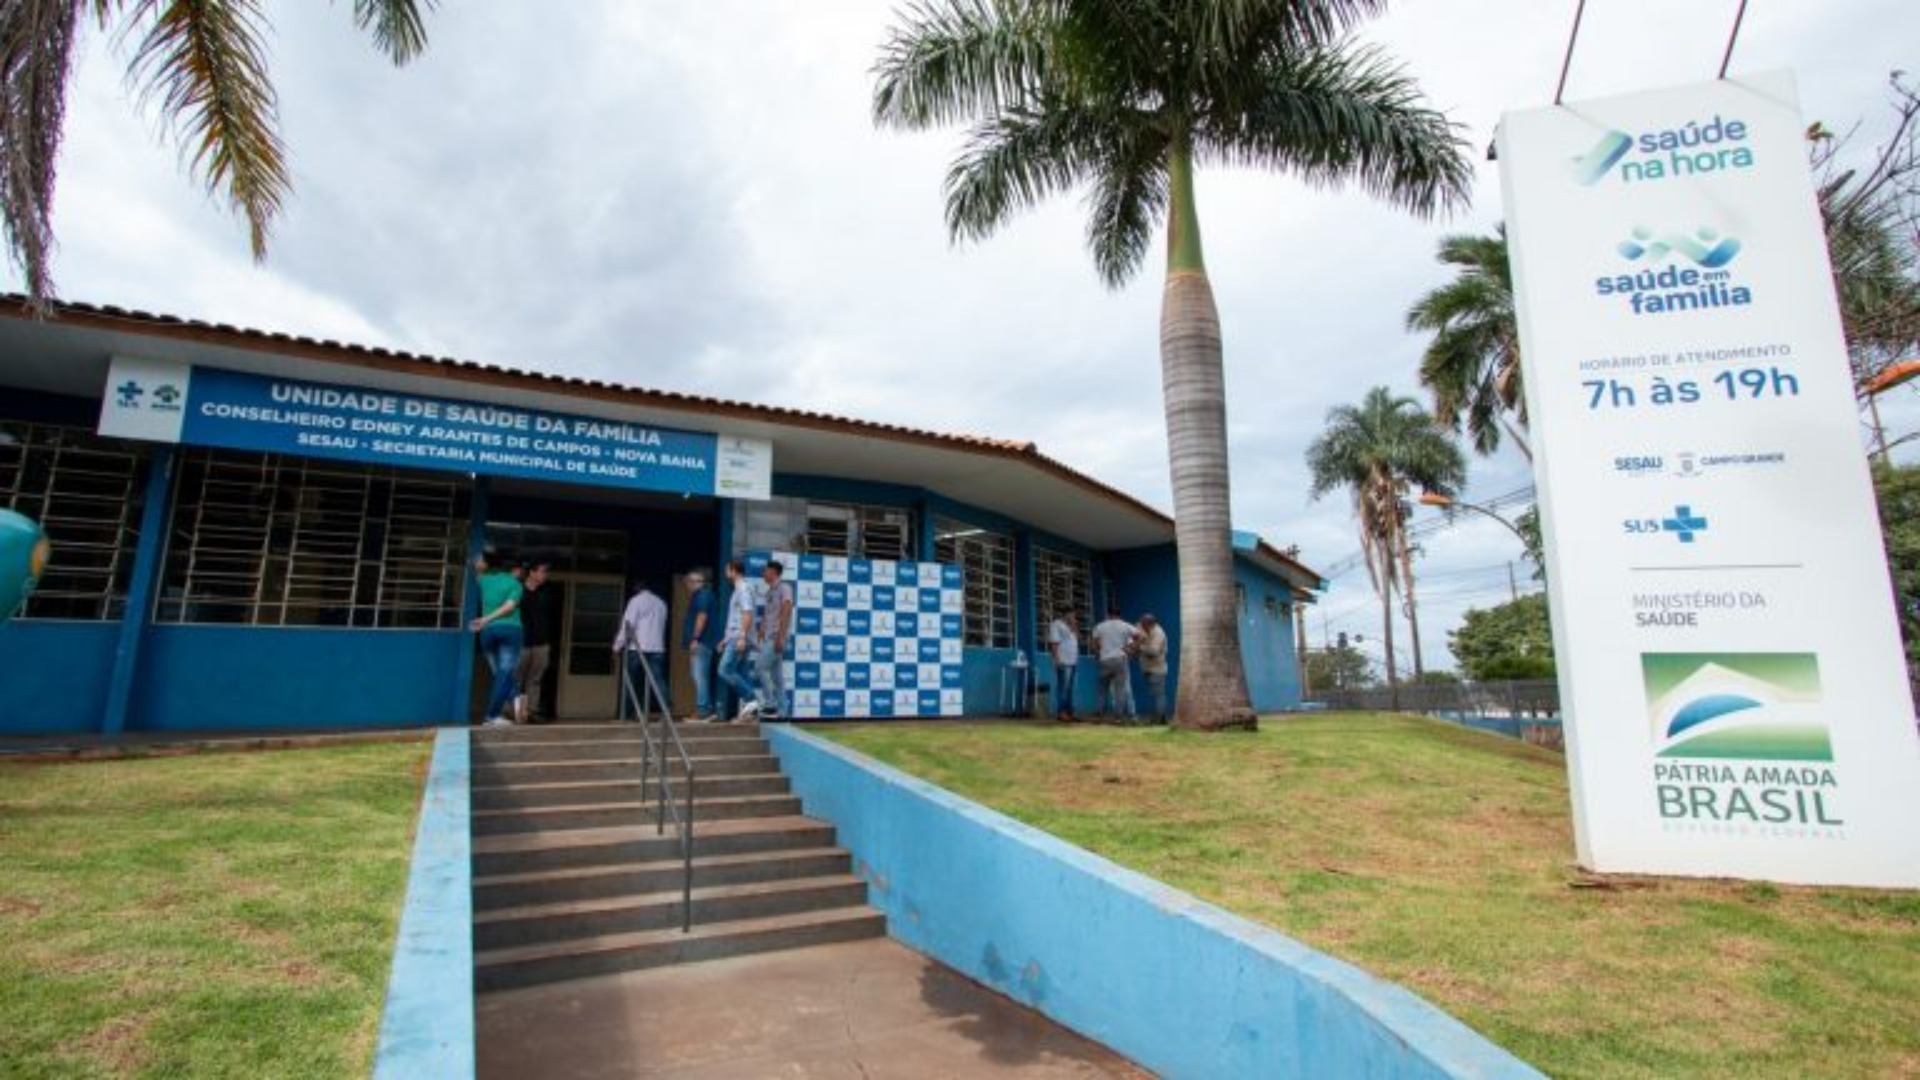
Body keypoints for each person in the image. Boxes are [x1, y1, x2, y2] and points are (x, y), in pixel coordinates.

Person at [469, 548, 524, 727]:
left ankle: (515, 697)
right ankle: (492, 716)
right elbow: (509, 607)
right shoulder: (516, 585)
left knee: (500, 673)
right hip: (510, 631)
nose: (521, 574)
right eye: (520, 571)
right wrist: (486, 619)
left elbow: (477, 568)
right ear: (515, 570)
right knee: (504, 673)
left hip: (487, 633)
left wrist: (481, 561)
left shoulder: (486, 580)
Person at [613, 579, 669, 718]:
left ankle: (626, 713)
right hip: (657, 647)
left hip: (638, 647)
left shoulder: (636, 601)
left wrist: (617, 646)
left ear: (638, 588)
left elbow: (628, 625)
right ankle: (666, 709)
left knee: (631, 680)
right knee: (657, 680)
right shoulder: (661, 603)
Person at [717, 560, 762, 722]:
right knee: (742, 673)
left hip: (739, 637)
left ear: (733, 571)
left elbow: (747, 613)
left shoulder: (743, 588)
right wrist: (725, 639)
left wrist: (741, 637)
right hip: (736, 636)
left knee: (724, 670)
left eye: (727, 569)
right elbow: (736, 617)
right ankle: (751, 713)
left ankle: (751, 700)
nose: (725, 572)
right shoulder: (739, 588)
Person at [512, 561, 556, 723]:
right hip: (521, 642)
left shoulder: (547, 591)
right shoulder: (517, 590)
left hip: (541, 643)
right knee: (515, 678)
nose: (545, 575)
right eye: (542, 571)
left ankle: (531, 712)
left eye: (546, 572)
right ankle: (512, 712)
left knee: (535, 679)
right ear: (531, 572)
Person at [754, 559, 794, 720]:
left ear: (773, 572)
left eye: (765, 570)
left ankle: (770, 704)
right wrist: (762, 629)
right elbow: (768, 613)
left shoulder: (785, 588)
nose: (763, 573)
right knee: (777, 677)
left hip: (776, 636)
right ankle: (783, 712)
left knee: (759, 667)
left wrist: (781, 636)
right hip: (770, 636)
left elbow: (787, 611)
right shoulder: (769, 591)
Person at [683, 568, 721, 722]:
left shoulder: (703, 595)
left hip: (702, 642)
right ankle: (707, 708)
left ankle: (702, 711)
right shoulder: (702, 595)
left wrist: (695, 638)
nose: (687, 586)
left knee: (699, 677)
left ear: (695, 582)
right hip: (704, 642)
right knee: (698, 676)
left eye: (688, 583)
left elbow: (702, 616)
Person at [1090, 606, 1139, 723]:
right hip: (1120, 659)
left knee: (1102, 689)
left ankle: (1098, 715)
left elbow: (1094, 643)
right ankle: (1118, 717)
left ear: (1108, 614)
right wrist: (1130, 646)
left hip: (1105, 659)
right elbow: (1140, 636)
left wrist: (1098, 655)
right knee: (1120, 690)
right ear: (1119, 614)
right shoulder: (1125, 625)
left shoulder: (1100, 626)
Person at [1135, 613, 1170, 724]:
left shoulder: (1158, 633)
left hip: (1157, 669)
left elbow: (1154, 651)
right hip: (1149, 668)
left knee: (1158, 695)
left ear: (1149, 624)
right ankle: (1161, 718)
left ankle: (1159, 718)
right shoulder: (1147, 630)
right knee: (1156, 694)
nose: (1141, 626)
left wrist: (1140, 647)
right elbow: (1136, 629)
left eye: (1143, 624)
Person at [1047, 607, 1080, 722]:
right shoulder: (1056, 624)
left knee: (1071, 688)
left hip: (1073, 661)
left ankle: (1070, 712)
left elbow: (1078, 639)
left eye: (1074, 615)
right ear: (1065, 614)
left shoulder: (1071, 627)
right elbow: (1054, 643)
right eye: (1072, 615)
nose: (1073, 617)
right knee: (1063, 687)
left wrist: (1074, 627)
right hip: (1063, 661)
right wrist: (1056, 659)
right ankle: (1061, 712)